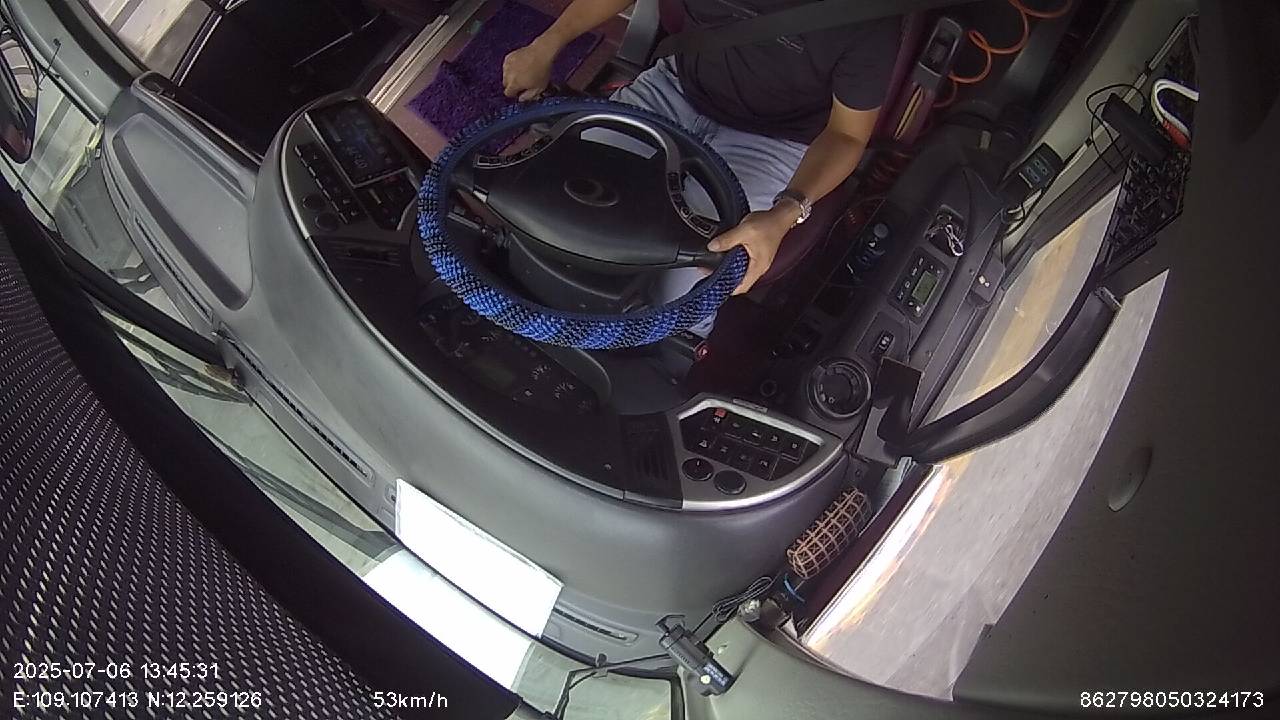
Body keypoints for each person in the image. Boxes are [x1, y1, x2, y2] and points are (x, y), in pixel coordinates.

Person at [502, 0, 900, 296]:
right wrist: (547, 44)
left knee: (687, 280)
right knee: (556, 203)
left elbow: (847, 136)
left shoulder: (868, 17)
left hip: (776, 142)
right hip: (673, 88)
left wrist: (784, 213)